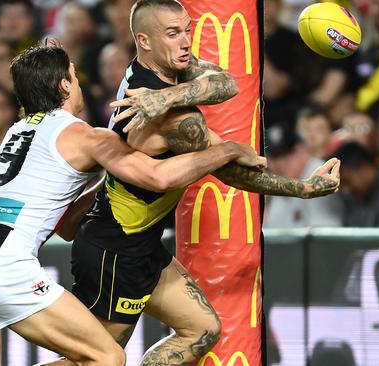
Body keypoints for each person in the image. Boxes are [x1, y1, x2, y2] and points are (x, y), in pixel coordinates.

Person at [0, 43, 263, 366]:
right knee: (107, 357)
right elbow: (160, 177)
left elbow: (64, 223)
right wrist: (228, 150)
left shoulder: (15, 133)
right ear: (65, 84)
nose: (78, 86)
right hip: (0, 270)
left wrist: (110, 185)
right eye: (75, 78)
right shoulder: (86, 137)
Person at [65, 1, 341, 364]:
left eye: (186, 31)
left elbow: (227, 83)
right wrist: (301, 187)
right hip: (114, 250)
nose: (185, 42)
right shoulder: (176, 121)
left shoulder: (157, 75)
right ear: (144, 40)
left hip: (141, 242)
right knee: (96, 361)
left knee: (202, 329)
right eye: (173, 33)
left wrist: (169, 96)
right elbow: (233, 174)